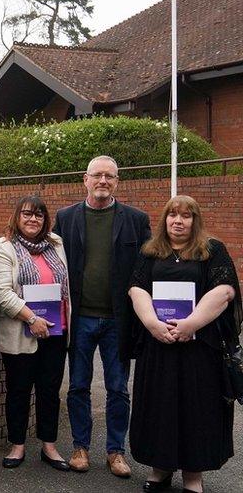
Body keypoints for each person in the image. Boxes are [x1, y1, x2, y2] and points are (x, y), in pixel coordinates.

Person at [128, 196, 240, 493]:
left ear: (195, 220)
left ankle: (193, 476)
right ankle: (160, 469)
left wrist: (192, 324)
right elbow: (137, 289)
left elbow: (225, 290)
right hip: (159, 346)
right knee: (159, 407)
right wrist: (153, 324)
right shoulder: (150, 252)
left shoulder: (212, 250)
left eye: (186, 216)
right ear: (164, 219)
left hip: (199, 349)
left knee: (196, 410)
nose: (178, 221)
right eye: (173, 215)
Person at [52, 155, 151, 477]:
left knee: (118, 388)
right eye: (98, 176)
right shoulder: (65, 218)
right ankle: (80, 447)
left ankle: (115, 451)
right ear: (85, 179)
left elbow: (148, 268)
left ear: (117, 181)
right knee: (78, 386)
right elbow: (48, 260)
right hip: (79, 318)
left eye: (110, 176)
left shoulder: (136, 219)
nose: (103, 181)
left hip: (117, 320)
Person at [0, 195, 72, 471]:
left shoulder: (56, 244)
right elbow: (1, 293)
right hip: (21, 330)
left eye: (38, 215)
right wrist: (32, 318)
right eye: (27, 214)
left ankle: (49, 445)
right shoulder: (3, 248)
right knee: (19, 390)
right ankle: (17, 445)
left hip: (56, 331)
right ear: (17, 216)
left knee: (50, 390)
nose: (33, 219)